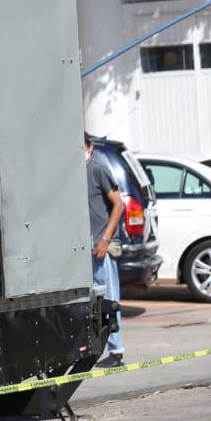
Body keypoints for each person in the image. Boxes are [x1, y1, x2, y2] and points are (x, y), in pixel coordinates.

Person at [85, 133, 125, 366]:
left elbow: (119, 204)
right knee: (92, 302)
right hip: (84, 249)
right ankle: (95, 348)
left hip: (102, 249)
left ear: (89, 146)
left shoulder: (99, 168)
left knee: (109, 299)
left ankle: (116, 352)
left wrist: (105, 239)